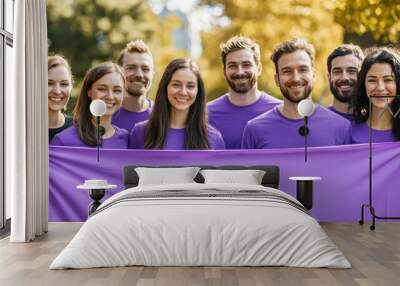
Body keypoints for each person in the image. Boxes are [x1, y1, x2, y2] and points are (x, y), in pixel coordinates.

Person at [242, 38, 351, 149]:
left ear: (313, 74)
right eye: (287, 71)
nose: (296, 78)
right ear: (277, 79)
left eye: (302, 69)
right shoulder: (254, 130)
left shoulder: (341, 127)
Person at [129, 58, 225, 150]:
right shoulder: (140, 133)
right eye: (176, 84)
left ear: (198, 91)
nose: (183, 92)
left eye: (190, 86)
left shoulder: (214, 139)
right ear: (165, 87)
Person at [207, 36, 281, 149]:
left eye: (246, 65)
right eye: (232, 66)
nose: (240, 71)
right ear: (224, 72)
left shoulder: (279, 111)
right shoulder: (206, 115)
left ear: (259, 69)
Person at [51, 62, 129, 148]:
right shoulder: (63, 141)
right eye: (102, 89)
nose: (110, 96)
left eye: (117, 90)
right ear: (89, 91)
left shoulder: (125, 139)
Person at [351, 47, 400, 144]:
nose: (380, 88)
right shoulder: (349, 132)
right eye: (372, 80)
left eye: (388, 80)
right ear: (363, 84)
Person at [112, 40, 154, 131]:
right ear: (118, 73)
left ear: (152, 74)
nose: (139, 74)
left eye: (145, 69)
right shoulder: (104, 116)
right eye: (131, 68)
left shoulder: (162, 116)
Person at [327, 44, 364, 120]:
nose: (344, 78)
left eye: (351, 71)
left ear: (362, 76)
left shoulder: (373, 123)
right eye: (337, 71)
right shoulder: (318, 123)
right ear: (329, 77)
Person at [48, 55, 74, 143]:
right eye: (49, 83)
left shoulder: (80, 131)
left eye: (64, 84)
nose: (57, 91)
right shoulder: (21, 129)